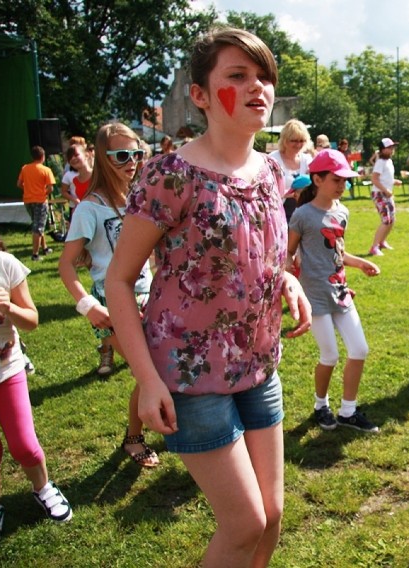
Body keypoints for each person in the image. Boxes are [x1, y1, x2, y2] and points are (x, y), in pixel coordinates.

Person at [105, 27, 311, 567]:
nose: (257, 87)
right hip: (192, 377)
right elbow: (119, 280)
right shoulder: (169, 176)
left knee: (272, 516)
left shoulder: (272, 171)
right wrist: (146, 381)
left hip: (261, 364)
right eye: (237, 76)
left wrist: (285, 279)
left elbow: (259, 252)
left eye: (264, 76)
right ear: (200, 95)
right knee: (243, 525)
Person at [58, 122, 160, 470]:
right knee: (150, 373)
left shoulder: (138, 197)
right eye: (121, 155)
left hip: (150, 297)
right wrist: (88, 305)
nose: (131, 161)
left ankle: (153, 425)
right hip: (111, 305)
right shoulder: (89, 209)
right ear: (103, 157)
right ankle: (134, 439)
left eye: (136, 153)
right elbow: (66, 266)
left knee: (160, 369)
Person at [0, 187, 73, 550]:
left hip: (6, 370)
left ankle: (43, 487)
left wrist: (8, 309)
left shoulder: (4, 264)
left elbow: (31, 320)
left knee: (25, 447)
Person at [288, 149, 381, 433]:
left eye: (345, 180)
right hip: (314, 294)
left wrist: (360, 262)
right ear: (317, 179)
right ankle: (320, 406)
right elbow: (288, 254)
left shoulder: (343, 211)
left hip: (340, 290)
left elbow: (338, 252)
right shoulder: (302, 215)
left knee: (360, 349)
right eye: (336, 179)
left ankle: (348, 411)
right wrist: (290, 280)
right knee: (329, 355)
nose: (342, 185)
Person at [17, 145, 55, 262]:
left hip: (28, 200)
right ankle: (35, 254)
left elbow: (19, 184)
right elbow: (50, 188)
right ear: (43, 157)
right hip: (40, 200)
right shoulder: (46, 170)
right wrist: (43, 192)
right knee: (38, 227)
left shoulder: (25, 168)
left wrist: (28, 190)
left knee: (37, 223)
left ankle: (45, 247)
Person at [269, 119, 312, 222]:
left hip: (305, 211)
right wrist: (286, 194)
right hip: (279, 213)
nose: (298, 144)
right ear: (285, 140)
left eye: (301, 141)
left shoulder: (307, 160)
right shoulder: (272, 160)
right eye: (294, 140)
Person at [368, 137, 402, 256]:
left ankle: (382, 242)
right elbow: (375, 179)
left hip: (386, 193)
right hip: (379, 194)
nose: (392, 150)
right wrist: (385, 190)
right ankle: (374, 247)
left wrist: (394, 181)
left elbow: (385, 178)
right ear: (382, 150)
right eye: (389, 148)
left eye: (392, 148)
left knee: (392, 219)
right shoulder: (380, 162)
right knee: (386, 220)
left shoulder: (389, 162)